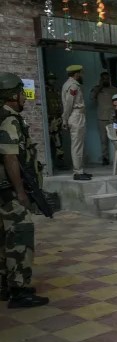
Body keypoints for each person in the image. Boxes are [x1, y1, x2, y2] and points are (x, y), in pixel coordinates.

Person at [0, 72, 49, 308]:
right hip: (8, 191)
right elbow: (10, 157)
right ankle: (19, 289)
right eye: (22, 94)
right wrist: (20, 192)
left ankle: (4, 286)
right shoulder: (9, 120)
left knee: (4, 237)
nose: (25, 99)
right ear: (13, 95)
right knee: (21, 233)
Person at [61, 65, 91, 180]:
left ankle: (80, 169)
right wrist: (65, 119)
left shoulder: (72, 84)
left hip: (77, 115)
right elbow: (69, 104)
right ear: (76, 74)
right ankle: (78, 172)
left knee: (79, 144)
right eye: (80, 73)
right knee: (77, 145)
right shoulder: (73, 86)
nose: (81, 75)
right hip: (75, 115)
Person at [45, 73, 68, 170]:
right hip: (49, 120)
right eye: (50, 79)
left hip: (57, 119)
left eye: (53, 79)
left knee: (59, 143)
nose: (52, 81)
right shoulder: (44, 90)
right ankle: (51, 164)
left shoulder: (56, 90)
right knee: (49, 143)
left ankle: (60, 163)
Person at [91, 71, 115, 165]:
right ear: (101, 79)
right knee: (103, 140)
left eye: (107, 78)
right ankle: (105, 158)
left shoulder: (114, 89)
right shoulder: (96, 89)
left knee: (115, 139)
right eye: (103, 79)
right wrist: (100, 87)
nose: (106, 80)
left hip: (112, 118)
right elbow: (92, 98)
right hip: (102, 118)